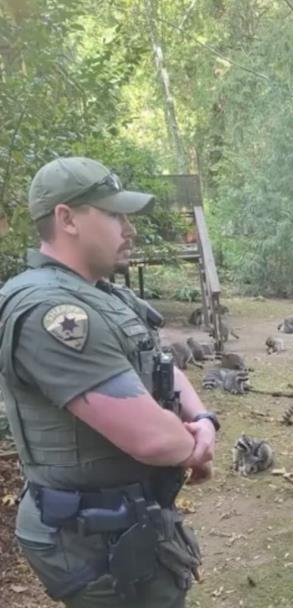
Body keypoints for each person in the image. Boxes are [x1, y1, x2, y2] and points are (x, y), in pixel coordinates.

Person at [0, 156, 219, 607]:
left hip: (126, 519)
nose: (130, 228)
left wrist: (202, 417)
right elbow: (151, 439)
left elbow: (163, 366)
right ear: (67, 219)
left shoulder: (103, 294)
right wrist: (195, 444)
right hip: (89, 535)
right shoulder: (53, 313)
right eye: (115, 214)